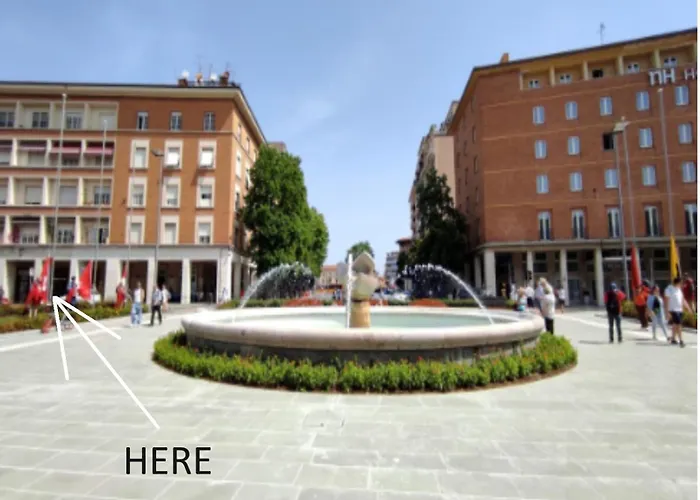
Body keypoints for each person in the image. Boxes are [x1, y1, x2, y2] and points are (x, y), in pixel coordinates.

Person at [666, 277, 691, 348]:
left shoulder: (679, 290)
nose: (682, 284)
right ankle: (681, 340)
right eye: (681, 283)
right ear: (677, 283)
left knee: (675, 325)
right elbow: (667, 300)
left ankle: (673, 339)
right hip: (673, 310)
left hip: (679, 310)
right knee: (679, 324)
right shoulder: (670, 289)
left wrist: (688, 307)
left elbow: (683, 300)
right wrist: (667, 311)